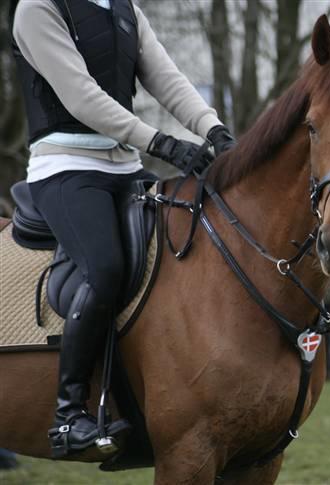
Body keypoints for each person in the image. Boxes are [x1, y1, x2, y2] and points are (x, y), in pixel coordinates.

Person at [10, 0, 236, 456]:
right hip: (65, 167)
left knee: (184, 251)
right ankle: (68, 414)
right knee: (106, 269)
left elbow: (167, 79)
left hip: (124, 166)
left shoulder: (124, 7)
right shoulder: (37, 8)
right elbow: (81, 95)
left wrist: (214, 131)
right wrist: (163, 144)